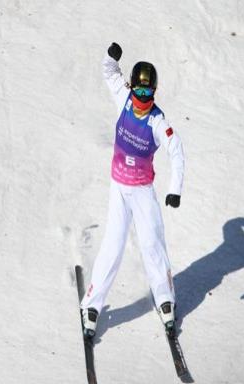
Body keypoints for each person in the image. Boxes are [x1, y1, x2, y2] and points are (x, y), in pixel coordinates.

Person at [80, 42, 185, 339]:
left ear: (154, 92)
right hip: (118, 188)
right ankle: (91, 304)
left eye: (147, 93)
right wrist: (110, 56)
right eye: (138, 92)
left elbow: (176, 151)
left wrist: (175, 189)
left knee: (152, 243)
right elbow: (109, 72)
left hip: (142, 191)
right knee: (113, 245)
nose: (141, 99)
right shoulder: (123, 98)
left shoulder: (158, 121)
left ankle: (165, 299)